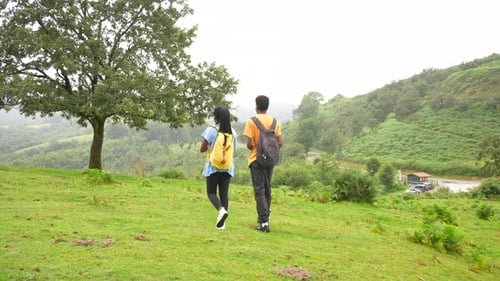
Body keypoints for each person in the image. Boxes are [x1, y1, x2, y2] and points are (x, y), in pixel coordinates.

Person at [243, 95, 283, 232]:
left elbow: (249, 144)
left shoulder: (251, 121)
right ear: (267, 106)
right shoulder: (275, 122)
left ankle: (264, 221)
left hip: (256, 160)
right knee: (267, 190)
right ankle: (264, 219)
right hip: (270, 161)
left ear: (256, 106)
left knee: (259, 190)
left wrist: (257, 146)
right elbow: (280, 142)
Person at [200, 107, 237, 230]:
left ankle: (221, 211)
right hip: (227, 167)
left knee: (211, 193)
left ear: (216, 117)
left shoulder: (211, 130)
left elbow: (202, 148)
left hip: (213, 167)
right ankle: (222, 224)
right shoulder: (233, 132)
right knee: (224, 194)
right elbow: (233, 150)